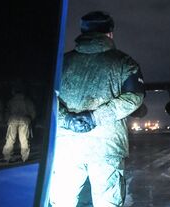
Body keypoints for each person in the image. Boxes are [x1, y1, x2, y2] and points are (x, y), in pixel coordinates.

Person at [49, 11, 145, 207]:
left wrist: (66, 119)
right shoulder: (125, 63)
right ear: (110, 34)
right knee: (107, 202)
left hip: (67, 147)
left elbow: (47, 99)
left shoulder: (61, 63)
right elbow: (134, 97)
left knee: (62, 201)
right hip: (106, 148)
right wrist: (95, 117)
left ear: (83, 33)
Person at [1, 86, 36, 162]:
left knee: (10, 139)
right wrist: (30, 119)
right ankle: (25, 157)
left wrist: (7, 120)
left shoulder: (11, 101)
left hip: (12, 120)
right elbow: (33, 112)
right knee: (24, 139)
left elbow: (7, 111)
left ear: (14, 92)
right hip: (24, 120)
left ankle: (7, 157)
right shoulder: (27, 101)